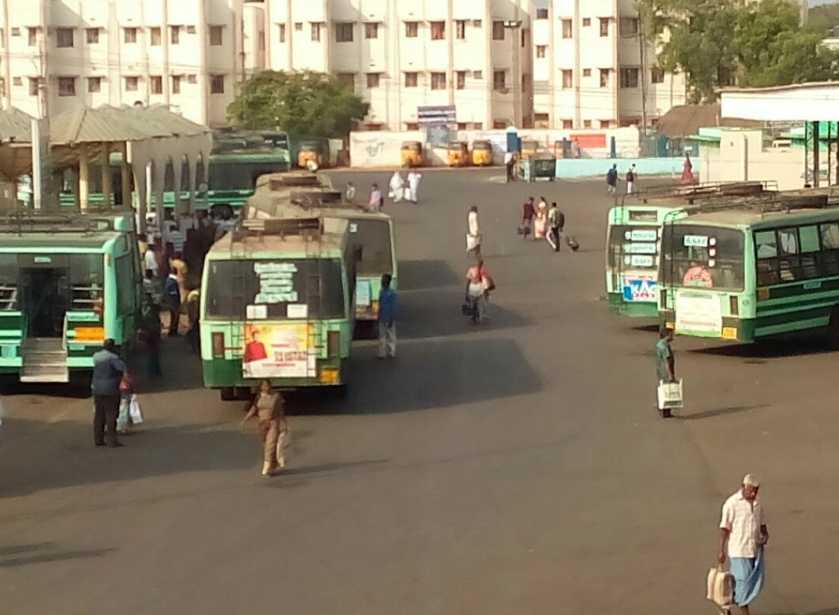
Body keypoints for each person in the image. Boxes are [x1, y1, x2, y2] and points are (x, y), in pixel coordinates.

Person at [719, 474, 769, 614]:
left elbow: (762, 524)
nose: (753, 493)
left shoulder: (758, 504)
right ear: (743, 487)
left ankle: (726, 607)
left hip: (754, 550)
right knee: (744, 583)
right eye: (751, 490)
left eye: (756, 490)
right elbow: (724, 528)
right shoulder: (732, 503)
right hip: (738, 550)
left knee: (745, 582)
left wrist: (765, 535)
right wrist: (721, 550)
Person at [241, 380, 289, 477]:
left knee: (270, 445)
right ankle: (272, 466)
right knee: (266, 446)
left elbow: (280, 411)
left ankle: (266, 468)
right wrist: (245, 419)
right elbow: (254, 408)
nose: (266, 387)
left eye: (267, 385)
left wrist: (285, 424)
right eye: (264, 386)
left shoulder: (276, 396)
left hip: (273, 423)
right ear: (261, 387)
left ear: (270, 386)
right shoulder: (259, 396)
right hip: (262, 424)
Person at [92, 339, 126, 448]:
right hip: (111, 389)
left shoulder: (96, 357)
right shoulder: (113, 358)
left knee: (99, 415)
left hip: (97, 388)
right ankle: (112, 441)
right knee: (111, 415)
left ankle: (98, 439)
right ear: (112, 347)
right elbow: (122, 368)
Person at [464, 260, 494, 324]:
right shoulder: (476, 270)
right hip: (476, 288)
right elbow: (469, 281)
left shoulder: (479, 270)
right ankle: (476, 315)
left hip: (477, 288)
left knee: (476, 303)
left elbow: (487, 279)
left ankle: (476, 315)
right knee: (476, 303)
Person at [655, 327, 676, 418]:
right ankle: (666, 411)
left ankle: (663, 408)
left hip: (660, 370)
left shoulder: (659, 344)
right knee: (667, 391)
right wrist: (671, 375)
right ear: (667, 335)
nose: (673, 336)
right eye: (672, 334)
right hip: (665, 372)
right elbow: (667, 361)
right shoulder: (664, 346)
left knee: (663, 389)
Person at [377, 273, 397, 359]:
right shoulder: (383, 292)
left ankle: (390, 351)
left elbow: (393, 307)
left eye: (383, 280)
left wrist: (391, 318)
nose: (382, 282)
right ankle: (384, 352)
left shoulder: (390, 293)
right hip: (383, 317)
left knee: (388, 336)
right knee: (383, 336)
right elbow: (380, 305)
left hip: (388, 317)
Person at [163, 269, 181, 336]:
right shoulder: (172, 281)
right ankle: (173, 331)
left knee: (173, 317)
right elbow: (174, 293)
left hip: (172, 302)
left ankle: (173, 331)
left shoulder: (169, 280)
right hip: (174, 302)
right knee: (174, 317)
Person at [185, 286, 200, 354]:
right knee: (194, 332)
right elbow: (192, 307)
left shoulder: (192, 294)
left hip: (195, 316)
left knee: (193, 331)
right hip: (195, 316)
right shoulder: (195, 294)